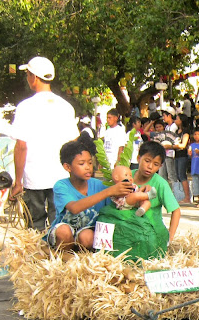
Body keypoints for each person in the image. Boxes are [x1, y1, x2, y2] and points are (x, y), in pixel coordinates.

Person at [10, 56, 79, 231]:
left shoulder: (25, 107)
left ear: (33, 77)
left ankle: (38, 257)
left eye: (28, 74)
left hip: (34, 177)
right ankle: (58, 256)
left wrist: (18, 181)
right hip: (61, 176)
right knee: (60, 224)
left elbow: (21, 146)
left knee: (35, 225)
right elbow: (73, 143)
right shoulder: (65, 106)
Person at [45, 140, 133, 250]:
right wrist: (109, 191)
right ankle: (65, 258)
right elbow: (74, 208)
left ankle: (82, 258)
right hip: (64, 236)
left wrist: (138, 190)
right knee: (64, 231)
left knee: (87, 236)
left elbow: (119, 203)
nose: (88, 167)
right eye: (82, 164)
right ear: (67, 167)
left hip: (86, 234)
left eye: (90, 163)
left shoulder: (99, 185)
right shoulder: (61, 186)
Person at [132, 141, 180, 242]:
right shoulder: (127, 176)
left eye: (155, 164)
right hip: (129, 226)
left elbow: (176, 211)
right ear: (138, 158)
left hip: (150, 231)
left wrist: (169, 239)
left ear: (160, 166)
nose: (150, 166)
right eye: (147, 161)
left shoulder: (161, 184)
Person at [173, 113, 191, 205]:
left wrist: (172, 146)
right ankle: (183, 195)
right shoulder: (177, 132)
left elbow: (183, 145)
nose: (175, 120)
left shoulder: (185, 132)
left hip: (182, 155)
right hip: (176, 155)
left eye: (177, 119)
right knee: (179, 176)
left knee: (182, 175)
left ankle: (187, 197)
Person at [160, 107, 179, 187]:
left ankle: (176, 193)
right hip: (165, 153)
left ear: (170, 115)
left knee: (171, 175)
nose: (163, 118)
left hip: (170, 153)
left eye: (164, 115)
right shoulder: (167, 127)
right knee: (162, 175)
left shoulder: (174, 126)